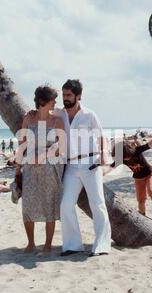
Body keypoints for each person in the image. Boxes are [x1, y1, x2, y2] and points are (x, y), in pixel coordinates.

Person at [56, 79, 111, 257]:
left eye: (69, 95)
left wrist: (103, 154)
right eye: (64, 95)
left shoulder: (89, 115)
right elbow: (41, 112)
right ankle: (73, 245)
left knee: (97, 204)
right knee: (65, 205)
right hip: (71, 166)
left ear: (78, 96)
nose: (65, 98)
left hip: (90, 164)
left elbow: (101, 136)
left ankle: (102, 245)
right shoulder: (59, 114)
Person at [15, 85, 66, 254]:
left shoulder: (56, 121)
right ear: (43, 101)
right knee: (28, 205)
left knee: (49, 205)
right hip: (30, 169)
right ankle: (31, 243)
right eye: (53, 100)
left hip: (51, 169)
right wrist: (18, 168)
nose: (55, 103)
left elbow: (62, 146)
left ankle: (48, 244)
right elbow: (22, 144)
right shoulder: (28, 119)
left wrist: (44, 156)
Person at [105, 130, 152, 226]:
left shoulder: (137, 150)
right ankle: (142, 217)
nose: (127, 159)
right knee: (141, 200)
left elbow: (150, 144)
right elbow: (109, 168)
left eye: (127, 156)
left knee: (151, 191)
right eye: (124, 157)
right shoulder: (121, 159)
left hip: (150, 174)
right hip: (138, 179)